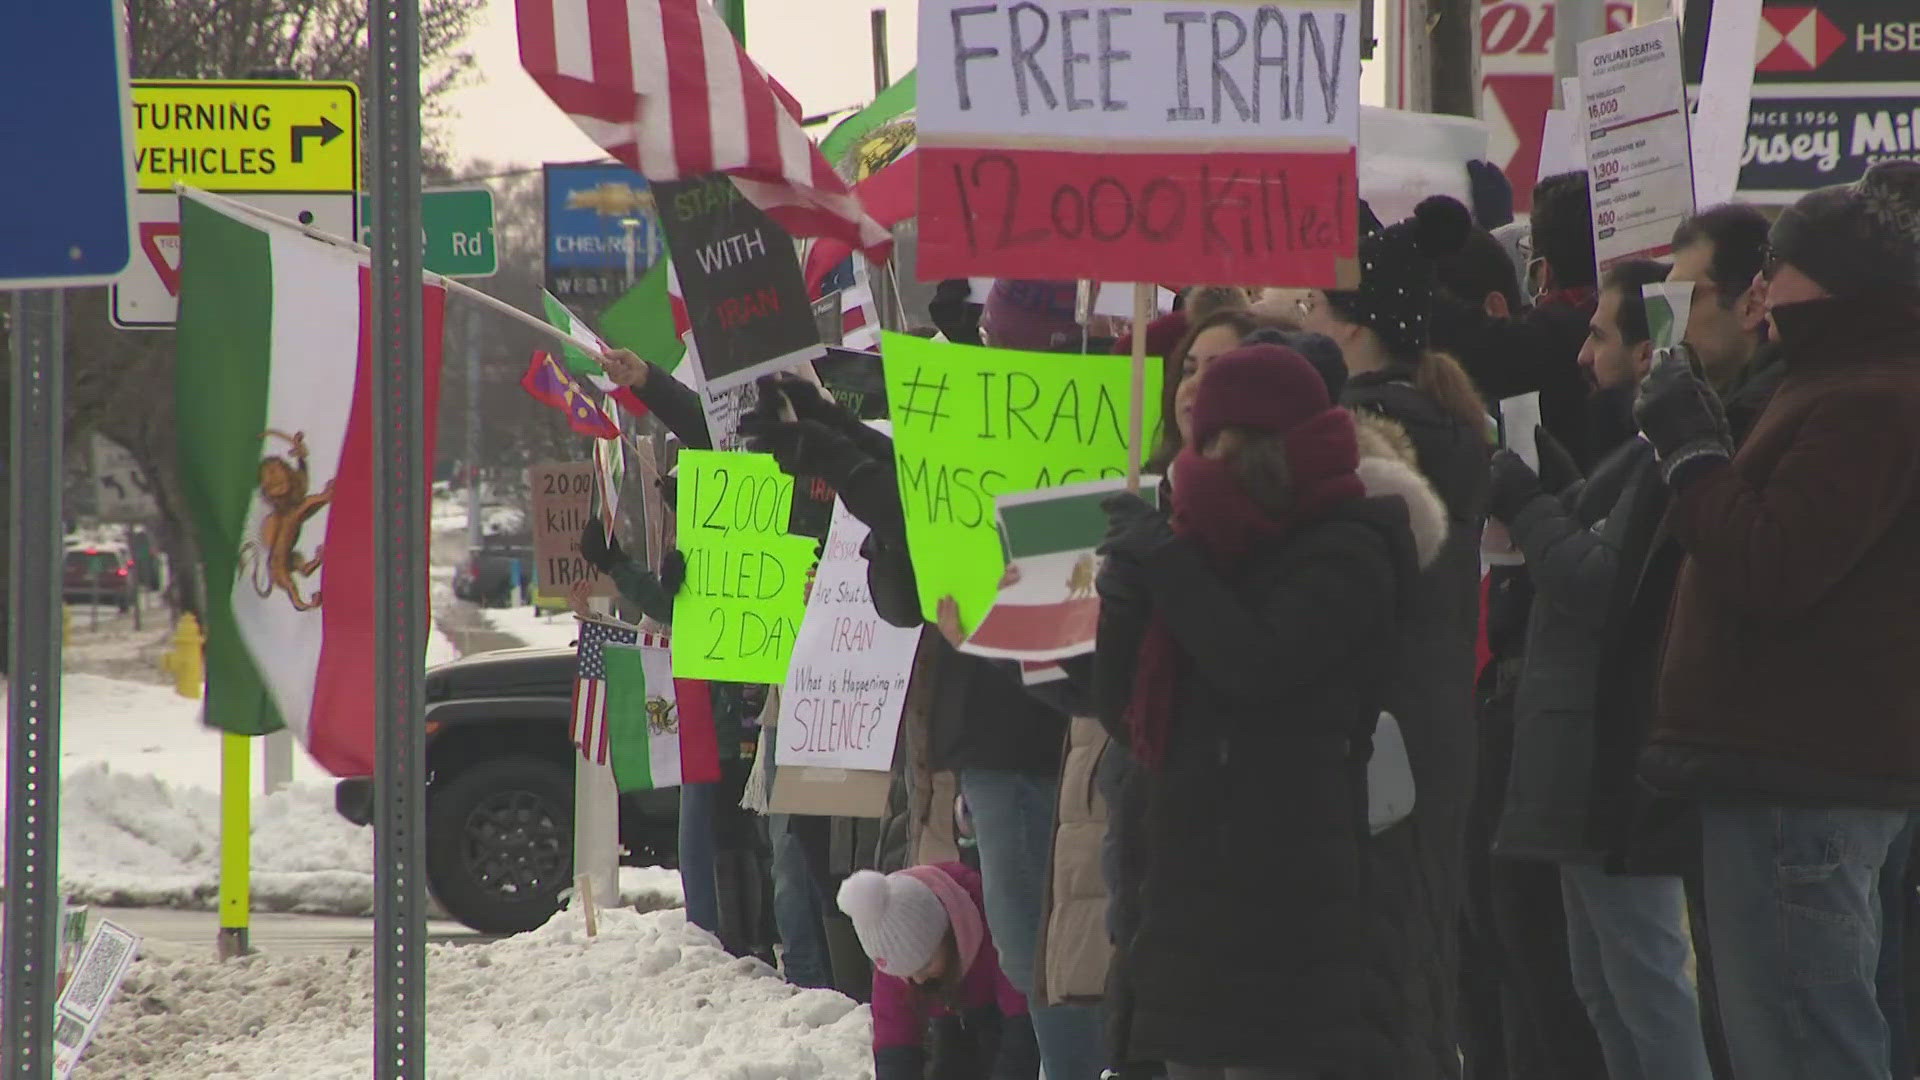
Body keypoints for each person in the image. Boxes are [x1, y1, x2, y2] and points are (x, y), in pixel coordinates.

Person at [1088, 343, 1447, 1079]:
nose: (1205, 458)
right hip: (1190, 903)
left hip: (1289, 908)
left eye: (1221, 441)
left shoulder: (1349, 545)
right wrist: (1124, 598)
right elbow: (1129, 717)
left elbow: (1258, 664)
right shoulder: (1202, 543)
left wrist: (1166, 563)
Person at [1635, 161, 1920, 1080]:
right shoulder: (1835, 380)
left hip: (1803, 773)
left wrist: (1692, 454)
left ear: (1832, 281)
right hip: (1796, 766)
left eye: (1777, 271)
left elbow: (1774, 562)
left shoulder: (1868, 397)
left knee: (1803, 1044)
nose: (1758, 295)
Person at [1485, 259, 1715, 1080]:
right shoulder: (1635, 451)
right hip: (1582, 764)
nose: (1583, 355)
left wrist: (1529, 503)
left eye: (1599, 334)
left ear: (1648, 351)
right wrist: (1562, 490)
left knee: (1643, 981)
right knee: (1603, 984)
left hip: (1613, 762)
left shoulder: (1667, 453)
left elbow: (1598, 582)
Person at [1287, 195, 1491, 1079]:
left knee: (1379, 965)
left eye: (1310, 311)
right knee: (1420, 955)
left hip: (1380, 727)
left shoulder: (1369, 439)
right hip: (1436, 717)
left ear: (1355, 329)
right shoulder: (1454, 419)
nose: (1296, 325)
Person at [839, 864, 1040, 1080]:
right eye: (907, 974)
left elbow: (1022, 1028)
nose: (918, 978)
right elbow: (894, 1043)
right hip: (950, 1020)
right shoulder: (894, 953)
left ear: (947, 934)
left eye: (925, 965)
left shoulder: (993, 919)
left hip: (1008, 1015)